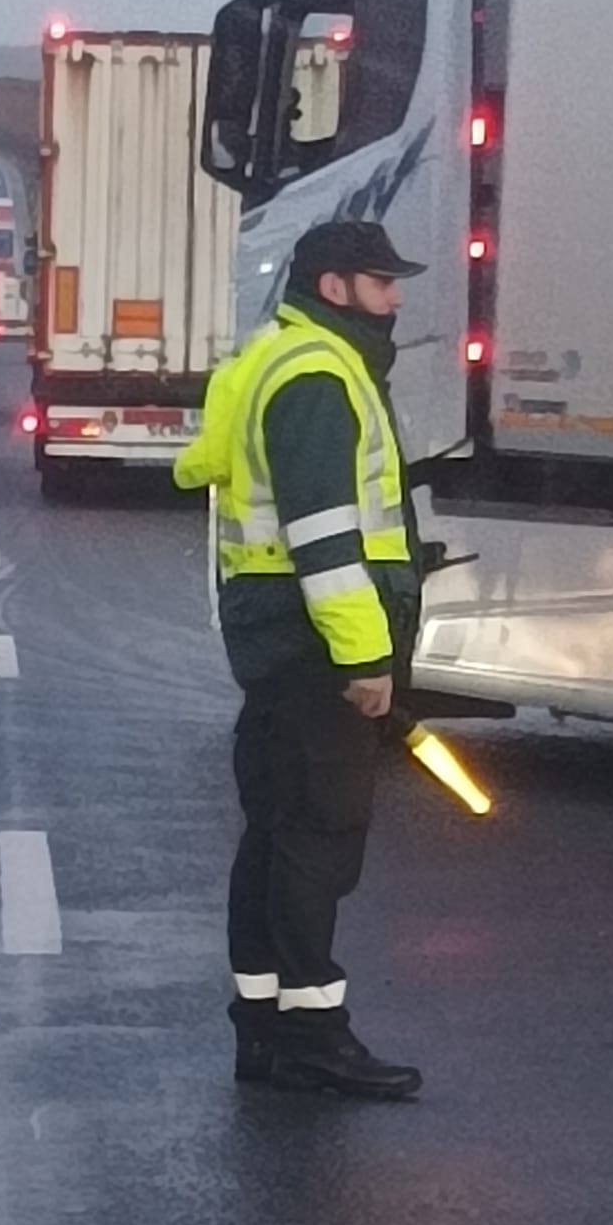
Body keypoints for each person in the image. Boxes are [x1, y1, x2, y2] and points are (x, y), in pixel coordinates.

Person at [174, 221, 426, 1101]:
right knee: (318, 840)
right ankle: (315, 1034)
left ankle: (265, 1028)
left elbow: (211, 464)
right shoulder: (320, 376)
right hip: (316, 647)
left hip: (275, 642)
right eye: (381, 282)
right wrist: (367, 660)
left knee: (276, 834)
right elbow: (325, 539)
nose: (395, 297)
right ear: (333, 287)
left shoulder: (268, 360)